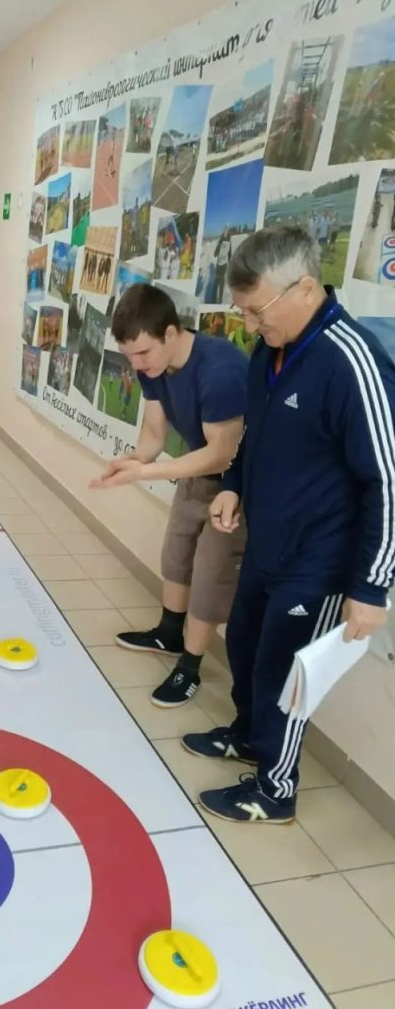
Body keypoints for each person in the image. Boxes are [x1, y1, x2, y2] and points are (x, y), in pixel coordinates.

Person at [184, 226, 395, 824]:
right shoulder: (269, 352)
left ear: (304, 288)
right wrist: (233, 486)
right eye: (243, 311)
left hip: (320, 561)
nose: (250, 324)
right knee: (246, 645)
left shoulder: (352, 361)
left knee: (284, 669)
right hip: (267, 545)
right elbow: (254, 434)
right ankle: (249, 737)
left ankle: (275, 791)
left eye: (257, 310)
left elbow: (387, 480)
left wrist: (371, 587)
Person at [90, 283, 248, 708]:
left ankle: (190, 668)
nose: (137, 364)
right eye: (129, 356)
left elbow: (223, 453)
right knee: (176, 555)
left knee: (210, 575)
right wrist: (134, 460)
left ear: (172, 333)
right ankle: (168, 633)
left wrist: (147, 472)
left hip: (236, 485)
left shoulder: (220, 370)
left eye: (143, 353)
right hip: (194, 472)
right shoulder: (153, 368)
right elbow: (154, 434)